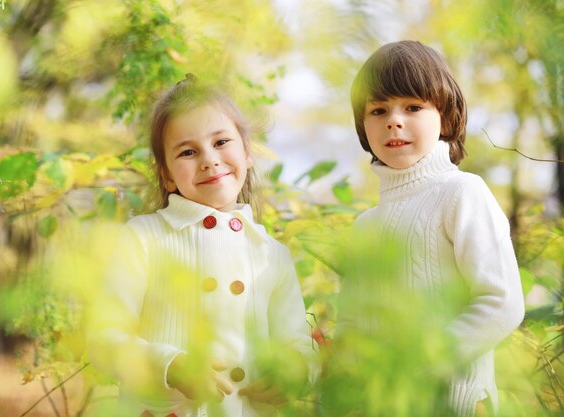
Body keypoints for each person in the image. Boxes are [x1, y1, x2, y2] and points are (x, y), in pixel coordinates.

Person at [88, 74, 316, 417]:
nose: (209, 160)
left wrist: (295, 371)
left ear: (247, 151)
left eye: (221, 142)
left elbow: (298, 343)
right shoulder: (145, 238)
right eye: (188, 151)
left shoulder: (273, 255)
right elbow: (104, 339)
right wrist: (170, 365)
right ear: (166, 175)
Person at [340, 40, 525, 417]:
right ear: (363, 126)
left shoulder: (462, 194)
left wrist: (422, 362)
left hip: (453, 401)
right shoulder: (365, 226)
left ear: (445, 117)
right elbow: (351, 322)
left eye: (413, 107)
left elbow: (502, 302)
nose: (394, 119)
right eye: (379, 110)